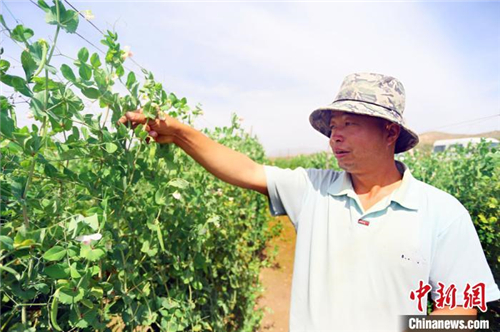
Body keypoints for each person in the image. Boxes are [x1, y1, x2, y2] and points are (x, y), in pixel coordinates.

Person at [119, 72, 500, 331]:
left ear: (389, 131)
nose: (335, 137)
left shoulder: (441, 212)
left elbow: (465, 307)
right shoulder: (313, 190)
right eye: (333, 127)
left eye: (350, 124)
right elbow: (247, 170)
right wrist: (181, 134)